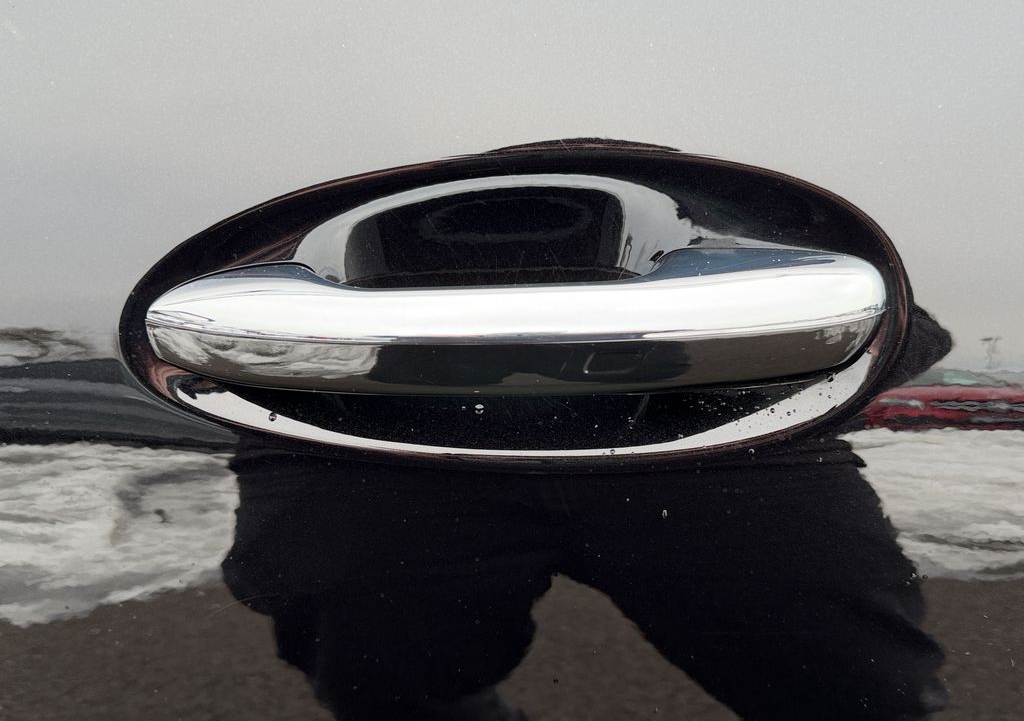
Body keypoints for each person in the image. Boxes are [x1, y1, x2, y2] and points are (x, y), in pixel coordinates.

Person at [221, 302, 951, 720]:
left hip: (723, 446)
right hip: (383, 452)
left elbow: (895, 332)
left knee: (858, 689)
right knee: (383, 685)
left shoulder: (755, 238)